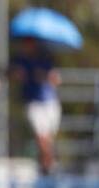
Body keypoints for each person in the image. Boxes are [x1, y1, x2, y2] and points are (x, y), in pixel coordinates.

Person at [11, 38, 62, 175]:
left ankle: (47, 163)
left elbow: (56, 79)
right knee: (41, 137)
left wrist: (44, 76)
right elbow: (12, 75)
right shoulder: (20, 59)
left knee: (48, 138)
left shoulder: (46, 59)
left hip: (49, 101)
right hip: (33, 102)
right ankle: (49, 163)